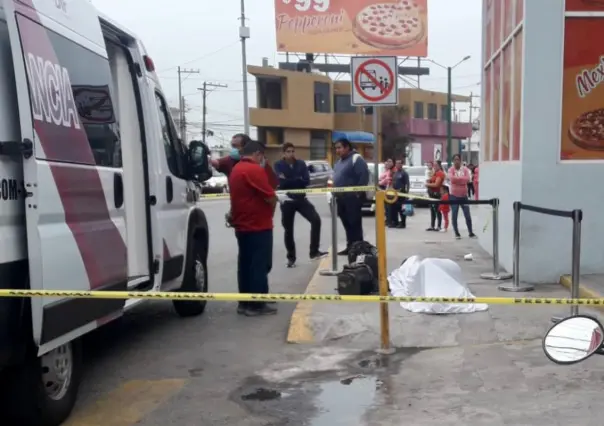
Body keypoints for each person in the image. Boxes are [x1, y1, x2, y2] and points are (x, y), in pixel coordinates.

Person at [229, 140, 278, 316]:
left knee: (245, 264)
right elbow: (271, 196)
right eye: (262, 157)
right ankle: (257, 304)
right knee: (259, 264)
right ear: (257, 154)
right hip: (258, 225)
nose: (262, 160)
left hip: (242, 225)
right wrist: (271, 211)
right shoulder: (254, 169)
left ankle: (245, 302)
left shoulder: (236, 169)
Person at [273, 143, 327, 268]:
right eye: (288, 151)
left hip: (301, 199)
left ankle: (314, 251)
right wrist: (297, 180)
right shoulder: (278, 165)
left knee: (316, 220)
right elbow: (282, 182)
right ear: (283, 153)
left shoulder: (301, 164)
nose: (291, 153)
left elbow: (306, 181)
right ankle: (291, 257)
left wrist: (292, 180)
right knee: (288, 229)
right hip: (287, 200)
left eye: (292, 151)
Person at [332, 138, 369, 256]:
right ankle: (350, 247)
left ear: (347, 147)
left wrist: (357, 193)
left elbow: (363, 176)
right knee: (347, 224)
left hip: (352, 198)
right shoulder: (338, 162)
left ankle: (358, 249)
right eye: (336, 148)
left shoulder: (356, 159)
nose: (337, 150)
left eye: (339, 148)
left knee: (354, 224)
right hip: (340, 198)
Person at [212, 133, 278, 188]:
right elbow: (215, 162)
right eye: (232, 146)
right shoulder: (229, 160)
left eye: (236, 146)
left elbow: (273, 185)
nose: (233, 149)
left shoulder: (261, 162)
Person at [447, 154, 477, 239]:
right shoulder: (451, 170)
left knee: (467, 215)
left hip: (464, 196)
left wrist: (458, 180)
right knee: (454, 215)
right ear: (453, 161)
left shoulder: (465, 169)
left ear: (460, 161)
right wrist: (461, 180)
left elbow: (467, 179)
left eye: (458, 159)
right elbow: (452, 179)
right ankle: (457, 233)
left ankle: (470, 232)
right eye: (455, 160)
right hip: (454, 196)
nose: (456, 161)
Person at [425, 161, 445, 231]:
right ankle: (432, 225)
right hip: (431, 194)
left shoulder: (440, 173)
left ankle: (439, 226)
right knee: (432, 210)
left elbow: (436, 184)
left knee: (437, 210)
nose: (434, 167)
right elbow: (430, 180)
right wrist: (428, 181)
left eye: (436, 165)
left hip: (437, 194)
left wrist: (427, 184)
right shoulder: (435, 173)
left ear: (439, 166)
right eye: (434, 165)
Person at [391, 159, 409, 229]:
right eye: (396, 163)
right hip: (395, 194)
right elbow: (393, 182)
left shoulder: (404, 173)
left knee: (402, 209)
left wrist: (407, 193)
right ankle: (395, 222)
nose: (397, 165)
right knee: (395, 208)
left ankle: (403, 223)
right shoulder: (395, 173)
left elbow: (407, 184)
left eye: (399, 163)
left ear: (402, 164)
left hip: (402, 193)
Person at [378, 158, 395, 226]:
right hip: (382, 188)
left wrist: (380, 182)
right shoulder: (385, 171)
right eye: (385, 164)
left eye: (388, 163)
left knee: (389, 206)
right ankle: (387, 219)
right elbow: (380, 178)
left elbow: (387, 180)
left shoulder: (390, 171)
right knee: (386, 207)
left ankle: (390, 221)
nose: (386, 165)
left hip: (387, 189)